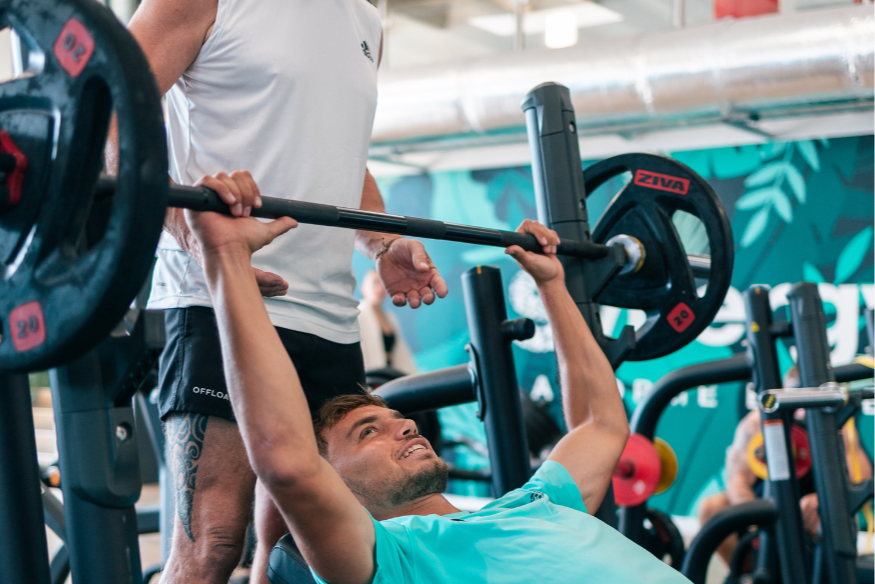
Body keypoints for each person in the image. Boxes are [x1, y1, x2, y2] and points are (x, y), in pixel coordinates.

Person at [184, 178, 692, 584]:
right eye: (368, 431)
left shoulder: (536, 502)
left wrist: (552, 284)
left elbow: (601, 425)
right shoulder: (390, 559)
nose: (404, 426)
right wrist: (227, 260)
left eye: (394, 420)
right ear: (334, 484)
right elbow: (286, 462)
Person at [106, 2, 447, 582]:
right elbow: (109, 115)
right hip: (219, 301)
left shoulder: (365, 19)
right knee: (213, 541)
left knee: (304, 538)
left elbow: (345, 158)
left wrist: (382, 242)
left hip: (331, 318)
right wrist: (196, 240)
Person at [698, 370, 872, 565]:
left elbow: (861, 475)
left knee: (831, 516)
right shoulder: (758, 422)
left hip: (810, 511)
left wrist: (823, 500)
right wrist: (759, 520)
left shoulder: (836, 427)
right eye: (795, 398)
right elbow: (737, 481)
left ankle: (819, 573)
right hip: (764, 504)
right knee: (712, 507)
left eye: (807, 400)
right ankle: (747, 571)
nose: (800, 410)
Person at [358, 270, 417, 376]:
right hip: (370, 377)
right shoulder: (357, 315)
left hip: (389, 375)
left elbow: (400, 354)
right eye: (374, 283)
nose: (379, 288)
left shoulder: (391, 318)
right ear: (363, 288)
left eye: (383, 283)